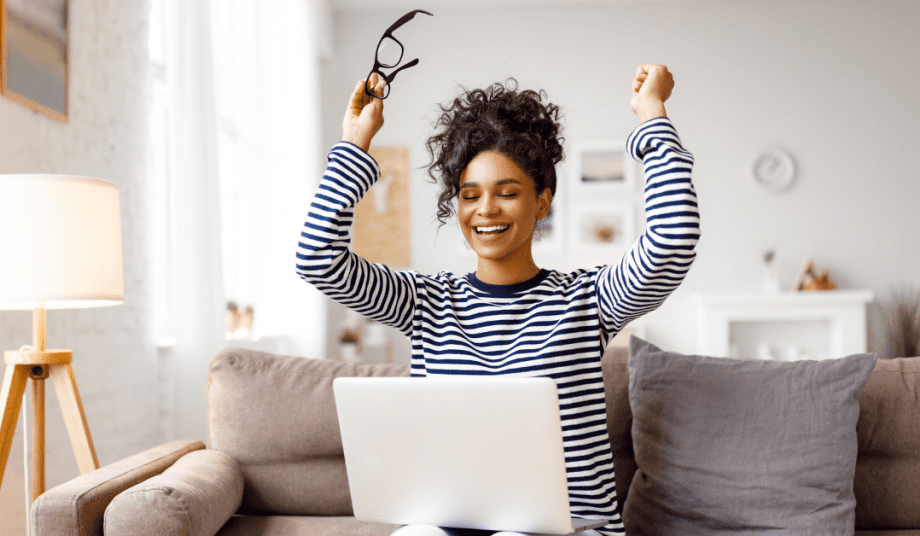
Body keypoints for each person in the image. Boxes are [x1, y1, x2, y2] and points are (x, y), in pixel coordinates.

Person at [296, 65, 699, 536]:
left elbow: (673, 239)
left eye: (507, 193)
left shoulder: (589, 300)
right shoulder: (425, 303)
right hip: (452, 526)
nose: (485, 209)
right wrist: (353, 145)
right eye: (469, 196)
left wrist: (652, 114)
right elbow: (317, 259)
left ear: (542, 202)